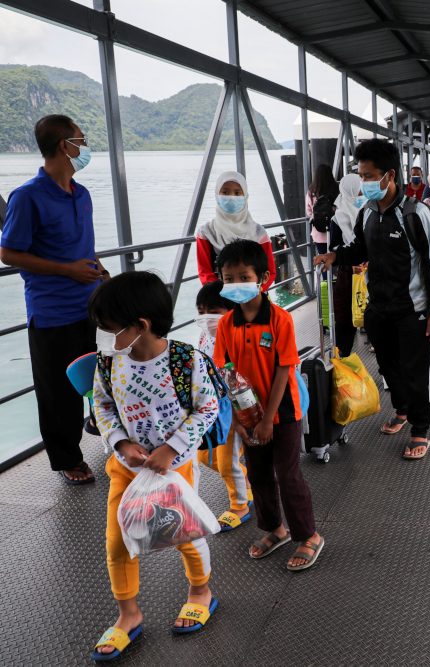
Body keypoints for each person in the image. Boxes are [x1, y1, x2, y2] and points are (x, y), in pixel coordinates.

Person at [89, 271, 221, 658]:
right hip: (125, 470)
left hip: (174, 470)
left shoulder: (185, 361)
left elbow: (207, 408)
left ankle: (201, 591)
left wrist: (171, 448)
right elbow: (102, 404)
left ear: (140, 326)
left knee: (186, 535)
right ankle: (127, 614)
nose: (101, 337)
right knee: (118, 541)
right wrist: (120, 441)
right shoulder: (109, 361)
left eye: (107, 328)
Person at [314, 139, 430, 460]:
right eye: (361, 176)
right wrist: (334, 255)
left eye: (369, 176)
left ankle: (420, 429)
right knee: (388, 367)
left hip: (413, 310)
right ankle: (402, 410)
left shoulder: (416, 214)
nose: (365, 183)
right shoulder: (367, 212)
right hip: (378, 308)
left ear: (390, 175)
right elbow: (360, 249)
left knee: (416, 371)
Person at [0, 114, 109, 485]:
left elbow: (85, 248)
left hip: (92, 306)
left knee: (104, 375)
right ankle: (68, 458)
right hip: (52, 312)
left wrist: (103, 274)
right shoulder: (27, 196)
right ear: (65, 145)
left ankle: (109, 430)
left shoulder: (82, 194)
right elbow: (9, 253)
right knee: (59, 392)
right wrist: (68, 270)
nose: (86, 145)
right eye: (82, 139)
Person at [213, 240, 324, 570]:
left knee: (287, 474)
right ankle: (276, 529)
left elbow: (283, 369)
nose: (235, 284)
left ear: (262, 278)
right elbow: (226, 373)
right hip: (247, 413)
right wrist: (238, 420)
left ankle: (309, 536)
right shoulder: (225, 324)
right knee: (258, 474)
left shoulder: (279, 319)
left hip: (283, 410)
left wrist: (268, 418)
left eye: (243, 276)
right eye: (228, 278)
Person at [195, 281, 253, 531]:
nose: (205, 318)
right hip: (209, 408)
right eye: (200, 312)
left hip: (232, 410)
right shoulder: (205, 335)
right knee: (205, 456)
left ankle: (240, 505)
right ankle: (248, 483)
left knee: (227, 462)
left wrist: (242, 419)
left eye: (213, 312)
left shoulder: (239, 339)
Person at [196, 171, 276, 291]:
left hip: (253, 298)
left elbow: (270, 271)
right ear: (217, 195)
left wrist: (253, 294)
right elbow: (205, 272)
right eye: (225, 192)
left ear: (245, 196)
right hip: (220, 301)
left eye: (237, 192)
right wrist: (223, 297)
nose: (231, 197)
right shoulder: (206, 233)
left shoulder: (258, 232)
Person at [329, 173, 364, 356]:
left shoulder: (371, 212)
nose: (361, 197)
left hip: (372, 274)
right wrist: (349, 267)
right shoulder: (337, 219)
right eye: (357, 193)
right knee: (345, 320)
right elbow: (333, 249)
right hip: (348, 276)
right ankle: (343, 358)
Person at [306, 163, 339, 257]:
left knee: (324, 261)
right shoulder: (336, 189)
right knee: (339, 260)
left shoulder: (311, 192)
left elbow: (309, 211)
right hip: (335, 231)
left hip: (319, 233)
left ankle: (325, 272)